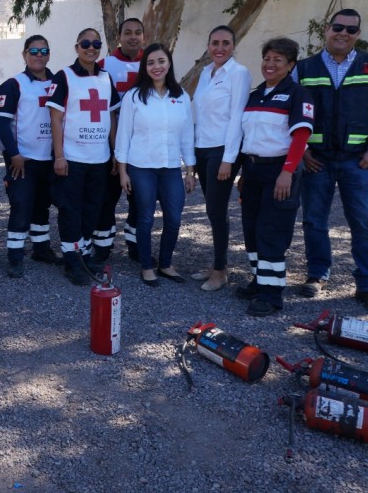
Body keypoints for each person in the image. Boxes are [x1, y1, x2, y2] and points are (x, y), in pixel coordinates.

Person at [295, 9, 368, 318]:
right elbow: (291, 110)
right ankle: (317, 274)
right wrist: (301, 152)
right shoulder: (304, 68)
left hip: (359, 161)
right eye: (337, 27)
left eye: (350, 30)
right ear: (327, 30)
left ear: (357, 35)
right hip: (317, 160)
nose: (343, 33)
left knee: (365, 223)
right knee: (314, 220)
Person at [236, 37, 313, 316]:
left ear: (290, 64)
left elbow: (301, 135)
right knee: (252, 230)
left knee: (272, 231)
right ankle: (260, 280)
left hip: (280, 171)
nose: (270, 64)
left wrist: (287, 172)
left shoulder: (297, 94)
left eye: (278, 60)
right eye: (267, 58)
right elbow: (251, 136)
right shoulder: (256, 94)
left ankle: (272, 294)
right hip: (254, 170)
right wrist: (245, 171)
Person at [115, 43, 196, 287]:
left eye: (161, 61)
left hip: (171, 168)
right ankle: (147, 266)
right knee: (146, 219)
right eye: (150, 62)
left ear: (169, 63)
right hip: (142, 168)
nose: (156, 66)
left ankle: (166, 263)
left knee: (173, 218)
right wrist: (122, 172)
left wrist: (190, 171)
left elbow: (187, 136)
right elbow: (123, 135)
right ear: (145, 67)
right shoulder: (134, 96)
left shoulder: (181, 97)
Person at [47, 28, 120, 285]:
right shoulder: (64, 76)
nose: (91, 47)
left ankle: (84, 253)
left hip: (99, 158)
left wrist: (114, 152)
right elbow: (55, 118)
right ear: (77, 47)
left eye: (96, 43)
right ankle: (71, 260)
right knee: (70, 210)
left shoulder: (105, 77)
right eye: (86, 43)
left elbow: (110, 116)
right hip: (72, 158)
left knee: (92, 209)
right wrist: (59, 156)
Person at [191, 26, 253, 291]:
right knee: (212, 209)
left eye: (226, 43)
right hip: (203, 148)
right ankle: (218, 264)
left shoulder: (238, 74)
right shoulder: (206, 73)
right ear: (207, 45)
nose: (220, 48)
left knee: (216, 210)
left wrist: (229, 159)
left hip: (222, 151)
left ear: (233, 46)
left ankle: (220, 271)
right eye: (215, 42)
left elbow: (238, 116)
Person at [0, 35, 60, 278]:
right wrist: (14, 155)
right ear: (24, 55)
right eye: (34, 50)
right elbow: (1, 122)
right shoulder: (14, 84)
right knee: (21, 206)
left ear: (49, 54)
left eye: (44, 50)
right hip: (24, 160)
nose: (39, 55)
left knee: (42, 206)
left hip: (50, 159)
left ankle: (41, 249)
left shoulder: (58, 82)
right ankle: (15, 256)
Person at [93, 18, 145, 263]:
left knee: (140, 199)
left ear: (143, 36)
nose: (133, 37)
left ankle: (136, 246)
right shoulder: (105, 65)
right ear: (119, 37)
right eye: (127, 33)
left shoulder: (152, 63)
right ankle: (103, 246)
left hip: (143, 144)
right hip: (111, 143)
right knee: (107, 198)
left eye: (137, 33)